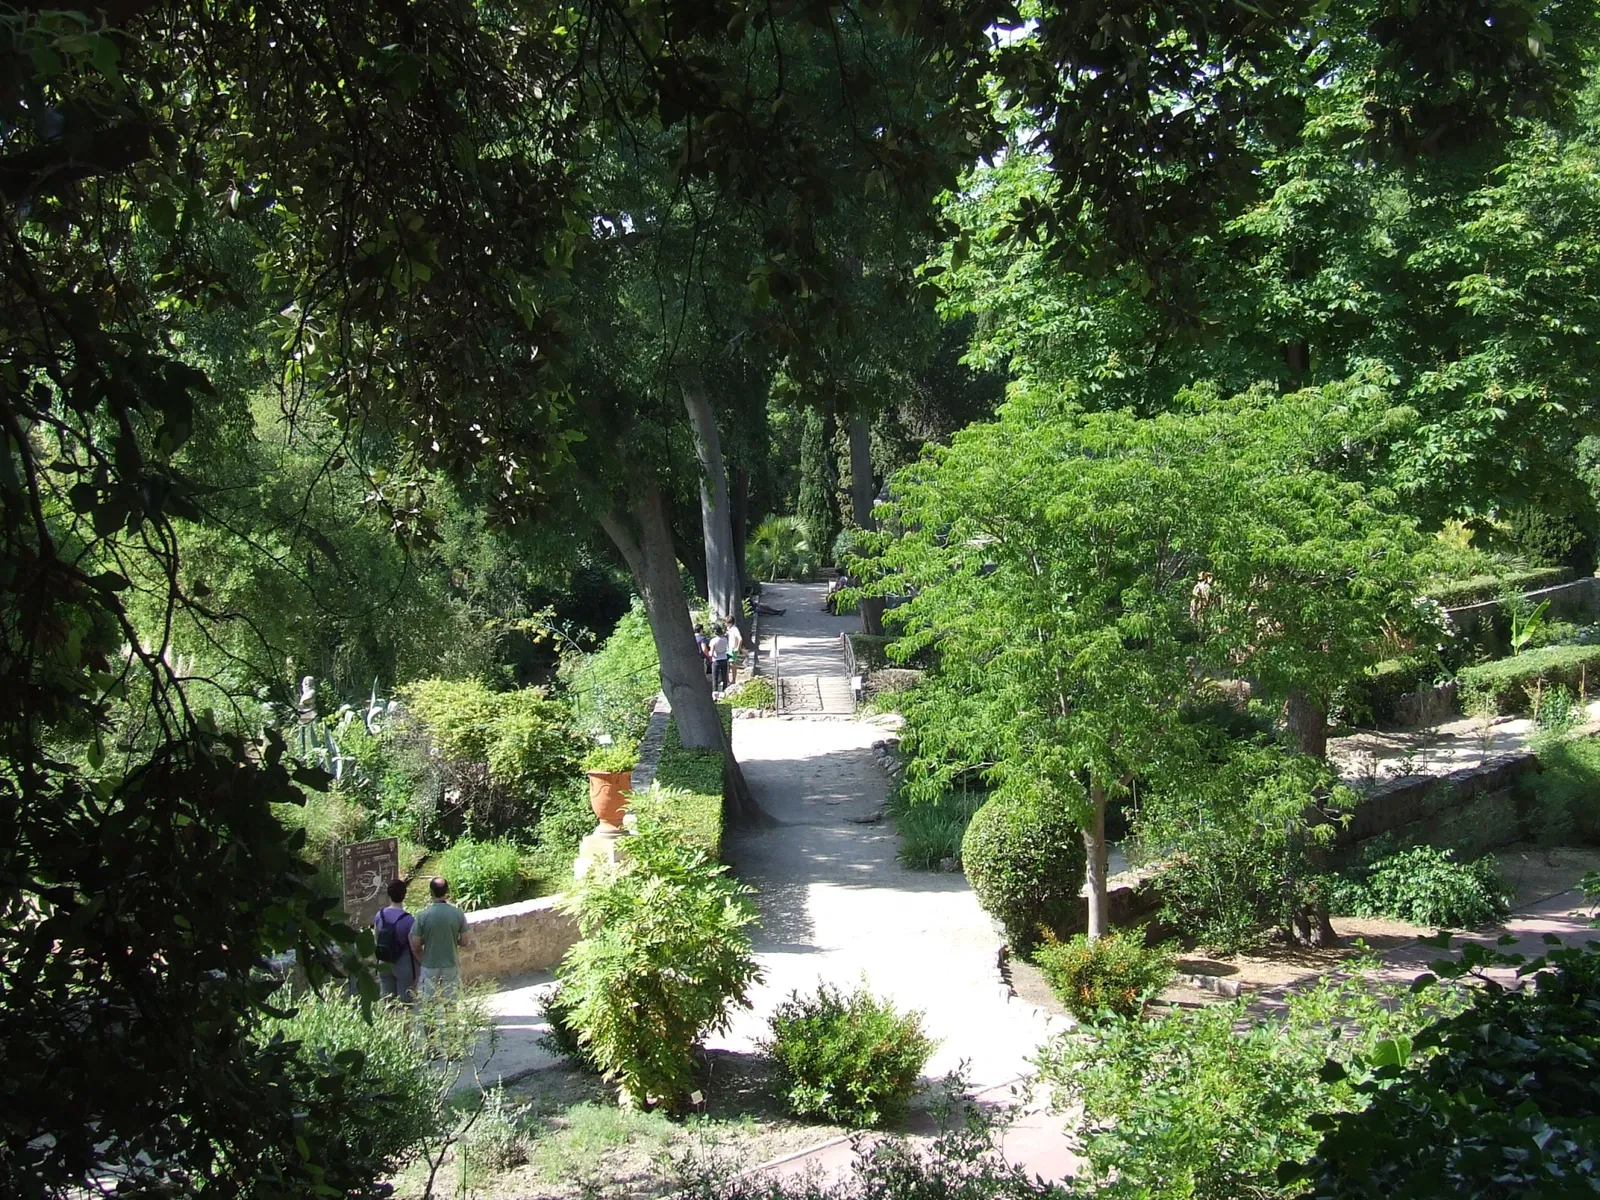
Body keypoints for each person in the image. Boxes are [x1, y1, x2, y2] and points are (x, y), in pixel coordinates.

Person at [410, 876, 471, 996]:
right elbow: (465, 941)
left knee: (428, 1001)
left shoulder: (423, 915)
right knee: (451, 1000)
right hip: (451, 963)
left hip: (429, 964)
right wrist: (453, 939)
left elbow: (415, 944)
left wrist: (427, 939)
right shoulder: (458, 914)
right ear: (447, 891)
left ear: (431, 892)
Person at [374, 878, 418, 1003]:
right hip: (403, 964)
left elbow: (377, 939)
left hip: (384, 962)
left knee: (387, 1001)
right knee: (405, 1002)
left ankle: (389, 1016)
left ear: (388, 895)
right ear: (404, 895)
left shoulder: (380, 915)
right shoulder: (409, 920)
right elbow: (414, 946)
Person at [709, 623, 730, 695]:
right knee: (724, 676)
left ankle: (715, 692)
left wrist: (708, 654)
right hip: (724, 659)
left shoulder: (713, 641)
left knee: (715, 677)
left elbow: (711, 653)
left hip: (716, 660)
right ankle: (724, 691)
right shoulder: (725, 639)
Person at [725, 619, 744, 686]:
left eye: (726, 622)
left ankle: (733, 680)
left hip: (733, 649)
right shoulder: (729, 629)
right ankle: (727, 680)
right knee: (727, 664)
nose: (725, 624)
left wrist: (738, 648)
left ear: (730, 623)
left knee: (733, 664)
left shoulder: (735, 629)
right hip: (728, 648)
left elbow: (740, 639)